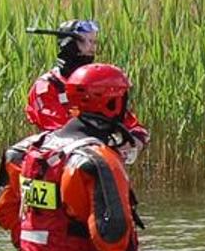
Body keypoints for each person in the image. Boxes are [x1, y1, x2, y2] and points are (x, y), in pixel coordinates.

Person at [0, 63, 141, 251]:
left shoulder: (28, 150)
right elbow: (111, 230)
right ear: (113, 102)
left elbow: (5, 214)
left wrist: (38, 249)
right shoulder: (98, 158)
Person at [25, 19, 150, 162]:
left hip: (99, 161)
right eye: (86, 41)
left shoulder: (97, 87)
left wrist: (134, 140)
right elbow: (58, 131)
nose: (92, 48)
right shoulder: (47, 86)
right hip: (57, 163)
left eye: (94, 42)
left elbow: (132, 125)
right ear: (69, 44)